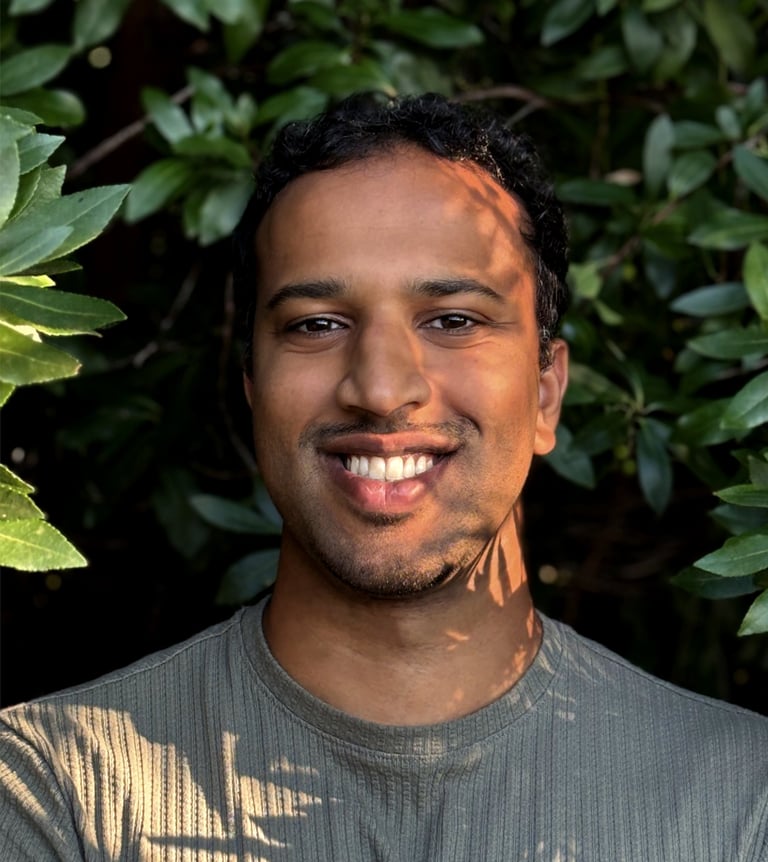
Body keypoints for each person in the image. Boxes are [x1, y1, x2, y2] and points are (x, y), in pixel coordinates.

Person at [0, 92, 765, 862]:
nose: (381, 387)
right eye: (316, 324)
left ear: (545, 393)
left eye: (453, 320)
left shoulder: (740, 800)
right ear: (252, 388)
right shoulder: (54, 792)